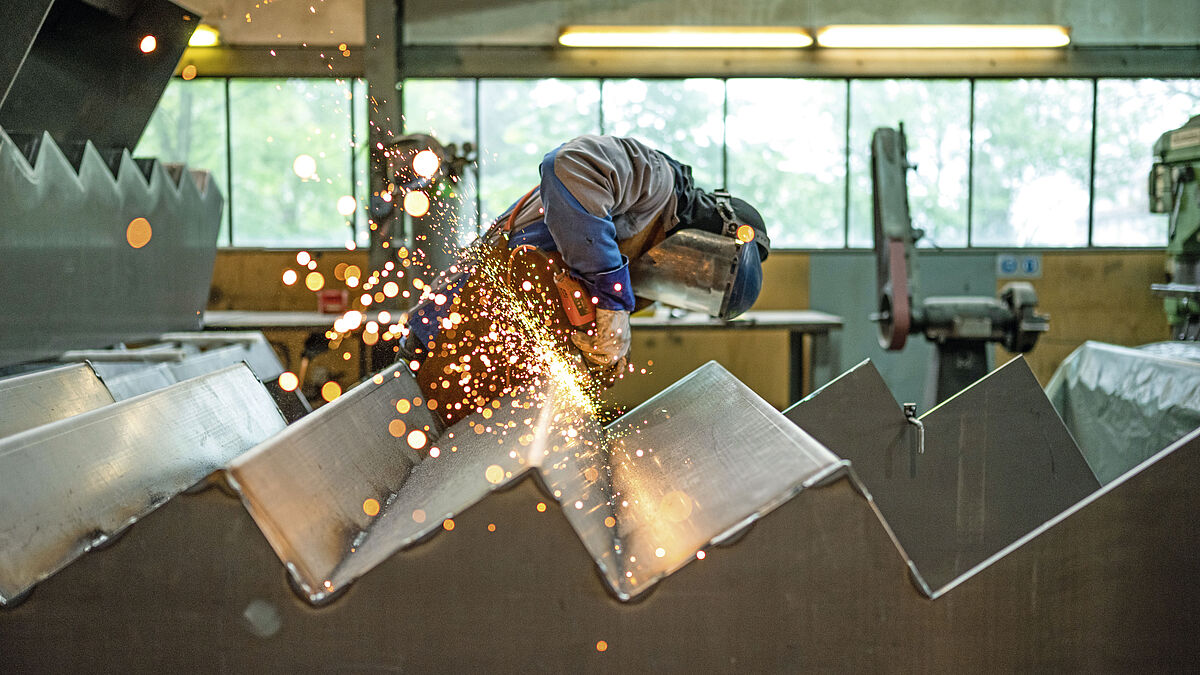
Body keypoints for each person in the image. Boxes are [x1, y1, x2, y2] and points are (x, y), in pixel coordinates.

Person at [400, 134, 770, 426]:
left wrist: (600, 358)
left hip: (497, 364)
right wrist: (611, 296)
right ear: (708, 238)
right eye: (704, 274)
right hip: (453, 325)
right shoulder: (656, 181)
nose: (687, 285)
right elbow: (566, 165)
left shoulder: (644, 273)